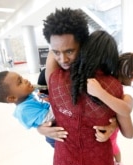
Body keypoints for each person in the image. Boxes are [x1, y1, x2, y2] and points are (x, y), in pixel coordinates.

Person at [37, 8, 117, 143]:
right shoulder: (52, 64)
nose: (63, 60)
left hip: (93, 137)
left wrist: (114, 124)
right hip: (62, 136)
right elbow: (52, 105)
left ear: (83, 45)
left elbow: (113, 101)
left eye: (69, 51)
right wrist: (39, 128)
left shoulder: (97, 63)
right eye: (56, 52)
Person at [87, 52, 133, 165]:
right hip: (103, 133)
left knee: (112, 146)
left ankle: (117, 163)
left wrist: (99, 92)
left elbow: (126, 108)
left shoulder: (126, 90)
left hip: (108, 132)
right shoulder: (118, 86)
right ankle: (117, 163)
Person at [0, 71, 55, 147]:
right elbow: (50, 117)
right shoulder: (24, 110)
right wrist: (57, 102)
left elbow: (39, 88)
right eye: (20, 82)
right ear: (13, 98)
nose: (25, 80)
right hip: (54, 135)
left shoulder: (26, 96)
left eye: (22, 77)